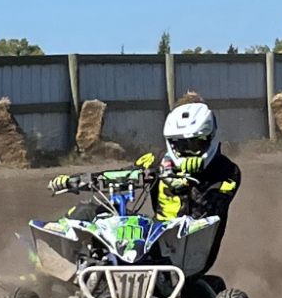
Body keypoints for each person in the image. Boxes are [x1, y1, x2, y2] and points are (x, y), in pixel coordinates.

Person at [49, 102, 240, 275]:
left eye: (196, 144)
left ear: (211, 139)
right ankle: (51, 268)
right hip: (154, 238)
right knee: (87, 212)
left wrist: (188, 185)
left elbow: (210, 211)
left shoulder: (227, 172)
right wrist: (74, 181)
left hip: (189, 251)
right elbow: (123, 176)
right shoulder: (156, 160)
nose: (187, 151)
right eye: (181, 145)